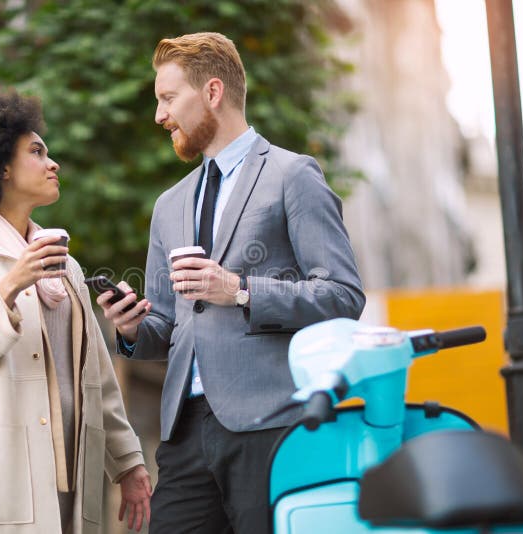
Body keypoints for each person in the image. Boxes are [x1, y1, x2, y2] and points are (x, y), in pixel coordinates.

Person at [98, 32, 366, 533]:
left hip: (272, 424)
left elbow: (343, 296)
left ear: (213, 92)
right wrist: (133, 328)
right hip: (183, 435)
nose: (160, 116)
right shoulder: (169, 205)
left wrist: (240, 289)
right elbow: (167, 325)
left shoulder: (293, 175)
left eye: (168, 98)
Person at [0, 91, 152, 534]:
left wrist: (128, 464)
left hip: (69, 489)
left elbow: (97, 378)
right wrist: (8, 287)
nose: (53, 163)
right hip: (1, 493)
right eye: (37, 151)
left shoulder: (65, 266)